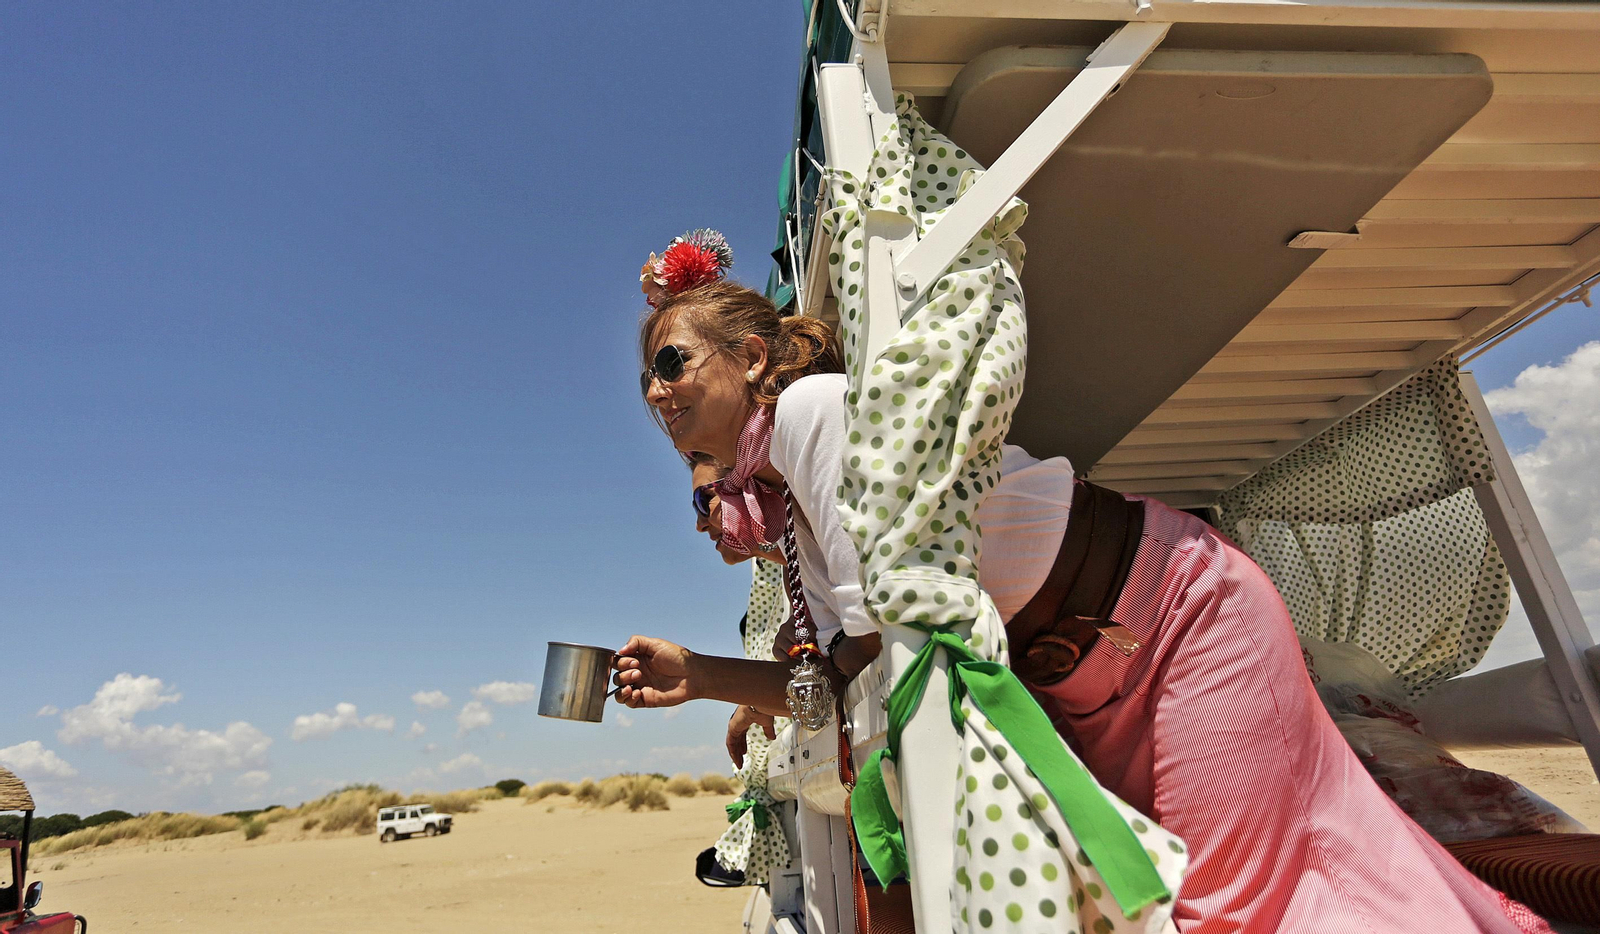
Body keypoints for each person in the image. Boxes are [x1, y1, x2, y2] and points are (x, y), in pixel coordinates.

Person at [614, 275, 1554, 933]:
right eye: (646, 380)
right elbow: (843, 673)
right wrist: (698, 677)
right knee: (1197, 896)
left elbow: (873, 640)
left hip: (1181, 623)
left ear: (748, 354)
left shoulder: (817, 412)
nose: (656, 393)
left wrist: (756, 676)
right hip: (1088, 688)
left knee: (1231, 903)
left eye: (671, 362)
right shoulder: (788, 498)